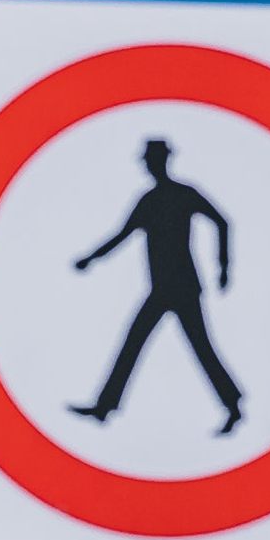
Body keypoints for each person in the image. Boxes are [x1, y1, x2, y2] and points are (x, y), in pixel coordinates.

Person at [69, 137, 242, 436]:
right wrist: (91, 258)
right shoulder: (149, 200)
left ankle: (232, 407)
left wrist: (224, 267)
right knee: (137, 342)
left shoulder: (181, 194)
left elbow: (222, 222)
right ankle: (104, 407)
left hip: (183, 288)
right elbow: (121, 236)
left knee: (197, 348)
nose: (148, 166)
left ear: (160, 161)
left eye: (151, 160)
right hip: (163, 289)